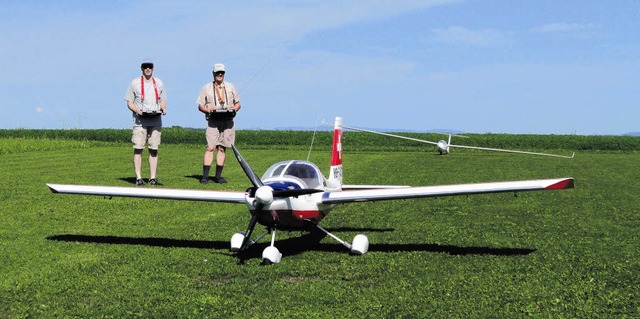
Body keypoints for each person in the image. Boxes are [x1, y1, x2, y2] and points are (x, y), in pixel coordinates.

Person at [197, 63, 241, 184]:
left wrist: (233, 108)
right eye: (217, 72)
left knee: (222, 148)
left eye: (222, 72)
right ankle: (205, 177)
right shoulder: (206, 87)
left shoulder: (231, 86)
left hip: (227, 121)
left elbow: (238, 104)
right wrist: (209, 109)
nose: (220, 74)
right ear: (213, 74)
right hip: (213, 121)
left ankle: (218, 177)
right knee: (210, 147)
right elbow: (200, 105)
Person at [124, 60, 167, 186]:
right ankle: (138, 178)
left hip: (155, 119)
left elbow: (163, 100)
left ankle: (152, 178)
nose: (148, 69)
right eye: (145, 67)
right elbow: (129, 102)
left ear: (153, 68)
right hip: (140, 121)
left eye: (150, 67)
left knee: (154, 148)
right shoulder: (135, 83)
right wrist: (137, 110)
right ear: (141, 69)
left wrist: (163, 109)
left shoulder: (158, 82)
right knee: (138, 148)